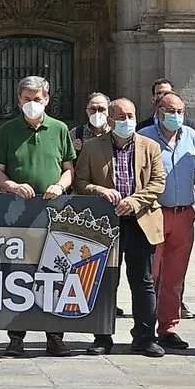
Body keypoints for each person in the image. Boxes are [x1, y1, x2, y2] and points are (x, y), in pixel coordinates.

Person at [75, 98, 166, 358]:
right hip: (106, 224)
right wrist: (101, 190)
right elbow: (81, 182)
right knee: (104, 281)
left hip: (140, 221)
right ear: (110, 120)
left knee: (143, 281)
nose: (127, 120)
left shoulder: (150, 147)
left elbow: (158, 183)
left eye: (131, 115)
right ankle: (102, 336)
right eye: (122, 116)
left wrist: (133, 201)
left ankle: (145, 337)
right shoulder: (92, 148)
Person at [0, 76, 75, 357]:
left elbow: (68, 168)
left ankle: (54, 336)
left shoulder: (60, 129)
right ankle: (16, 336)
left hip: (53, 212)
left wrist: (60, 185)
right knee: (18, 274)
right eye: (26, 99)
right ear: (18, 100)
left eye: (37, 99)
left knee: (54, 273)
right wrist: (11, 185)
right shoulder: (7, 130)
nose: (32, 104)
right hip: (18, 213)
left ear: (47, 100)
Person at [139, 92, 195, 350]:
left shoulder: (192, 137)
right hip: (155, 213)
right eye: (171, 111)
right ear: (158, 111)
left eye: (180, 111)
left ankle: (168, 328)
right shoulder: (145, 138)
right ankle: (145, 328)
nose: (176, 116)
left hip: (183, 214)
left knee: (175, 277)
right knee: (151, 275)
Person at [69, 92, 111, 156]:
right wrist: (72, 150)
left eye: (101, 109)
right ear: (87, 111)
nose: (97, 113)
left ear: (109, 111)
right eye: (93, 109)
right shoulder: (75, 133)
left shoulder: (115, 133)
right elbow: (64, 160)